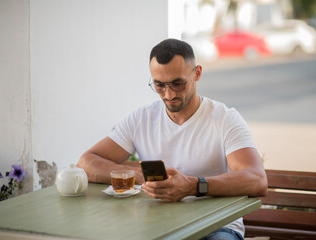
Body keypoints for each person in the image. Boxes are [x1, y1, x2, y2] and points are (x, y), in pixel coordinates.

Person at [76, 38, 267, 240]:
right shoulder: (141, 118)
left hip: (217, 227)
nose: (169, 94)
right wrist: (147, 177)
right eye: (159, 85)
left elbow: (257, 179)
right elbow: (86, 163)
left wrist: (194, 186)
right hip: (158, 226)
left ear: (197, 73)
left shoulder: (224, 118)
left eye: (178, 83)